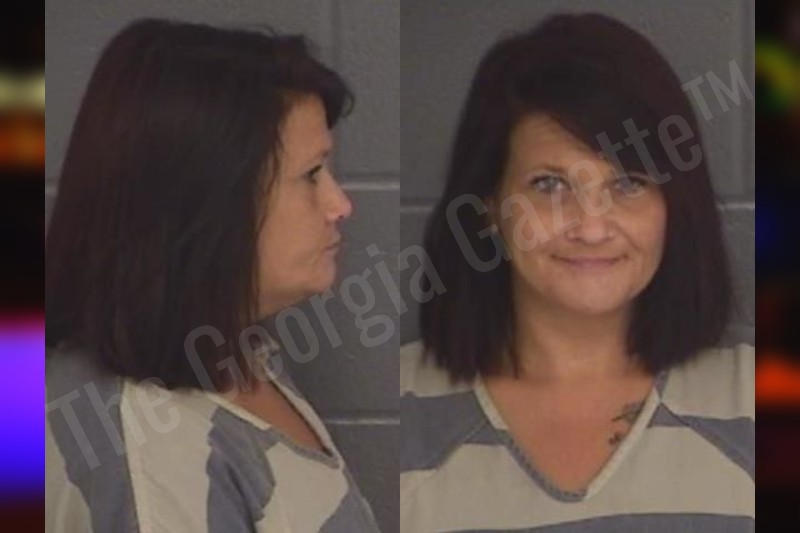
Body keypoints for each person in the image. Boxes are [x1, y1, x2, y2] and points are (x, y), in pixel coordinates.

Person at [401, 13, 754, 532]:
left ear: (674, 208)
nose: (590, 228)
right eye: (549, 185)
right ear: (488, 208)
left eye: (628, 183)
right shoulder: (403, 407)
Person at [46, 18, 380, 532]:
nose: (340, 205)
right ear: (209, 200)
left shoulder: (231, 350)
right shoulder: (160, 459)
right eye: (311, 174)